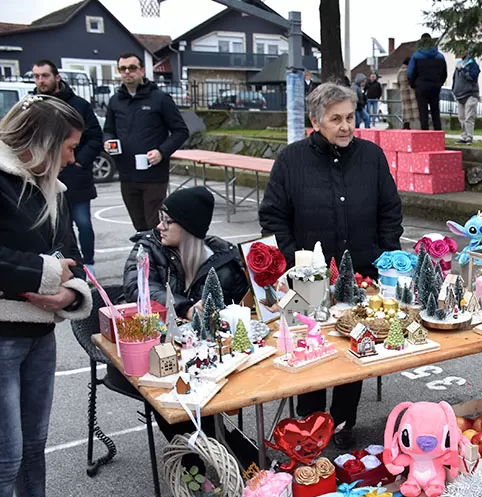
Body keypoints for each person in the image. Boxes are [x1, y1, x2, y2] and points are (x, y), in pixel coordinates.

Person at [0, 95, 98, 497]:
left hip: (40, 332)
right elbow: (46, 263)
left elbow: (73, 255)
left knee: (33, 442)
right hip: (3, 332)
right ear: (40, 141)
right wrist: (44, 276)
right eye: (68, 146)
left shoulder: (52, 188)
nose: (73, 158)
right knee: (4, 454)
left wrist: (71, 290)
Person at [259, 83, 403, 449]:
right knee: (311, 349)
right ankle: (308, 423)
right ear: (315, 120)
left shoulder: (371, 157)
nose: (345, 126)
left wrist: (386, 255)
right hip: (308, 281)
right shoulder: (291, 161)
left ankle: (342, 420)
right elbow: (273, 217)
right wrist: (293, 264)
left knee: (355, 345)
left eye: (350, 117)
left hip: (362, 275)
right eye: (335, 118)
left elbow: (390, 209)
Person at [122, 187, 251, 454]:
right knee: (171, 398)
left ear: (188, 226)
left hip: (207, 356)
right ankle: (196, 458)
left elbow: (244, 302)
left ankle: (224, 450)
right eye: (161, 218)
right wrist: (187, 308)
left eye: (167, 220)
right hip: (155, 351)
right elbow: (138, 288)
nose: (159, 225)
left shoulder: (222, 258)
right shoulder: (148, 248)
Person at [31, 59, 102, 276]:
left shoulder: (79, 105)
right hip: (45, 178)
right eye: (36, 76)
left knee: (84, 223)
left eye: (45, 75)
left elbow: (95, 138)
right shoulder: (33, 104)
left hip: (76, 177)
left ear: (57, 77)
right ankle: (69, 267)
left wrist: (78, 160)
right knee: (60, 227)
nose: (40, 80)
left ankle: (88, 265)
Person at [104, 52, 189, 231]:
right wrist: (108, 141)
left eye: (132, 68)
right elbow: (108, 130)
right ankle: (147, 258)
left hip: (153, 175)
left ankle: (159, 258)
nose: (127, 72)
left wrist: (162, 152)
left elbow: (181, 131)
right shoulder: (115, 101)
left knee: (155, 225)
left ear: (142, 70)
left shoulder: (160, 98)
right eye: (123, 69)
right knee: (139, 226)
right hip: (126, 174)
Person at [407, 33, 447, 131]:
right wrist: (439, 83)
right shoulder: (440, 57)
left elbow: (410, 73)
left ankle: (425, 134)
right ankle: (438, 133)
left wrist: (413, 84)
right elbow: (444, 73)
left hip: (421, 86)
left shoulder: (416, 56)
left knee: (423, 112)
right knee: (435, 111)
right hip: (435, 86)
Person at [452, 52, 480, 144]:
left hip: (470, 94)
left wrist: (463, 70)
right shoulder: (458, 65)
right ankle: (464, 137)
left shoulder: (473, 65)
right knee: (462, 117)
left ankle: (469, 137)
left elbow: (473, 77)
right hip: (459, 95)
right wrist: (454, 89)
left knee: (469, 117)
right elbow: (454, 79)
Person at [397, 58, 419, 130]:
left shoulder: (400, 71)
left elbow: (398, 83)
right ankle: (419, 125)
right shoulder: (410, 70)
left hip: (403, 93)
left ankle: (406, 125)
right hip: (411, 91)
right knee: (415, 109)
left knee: (405, 110)